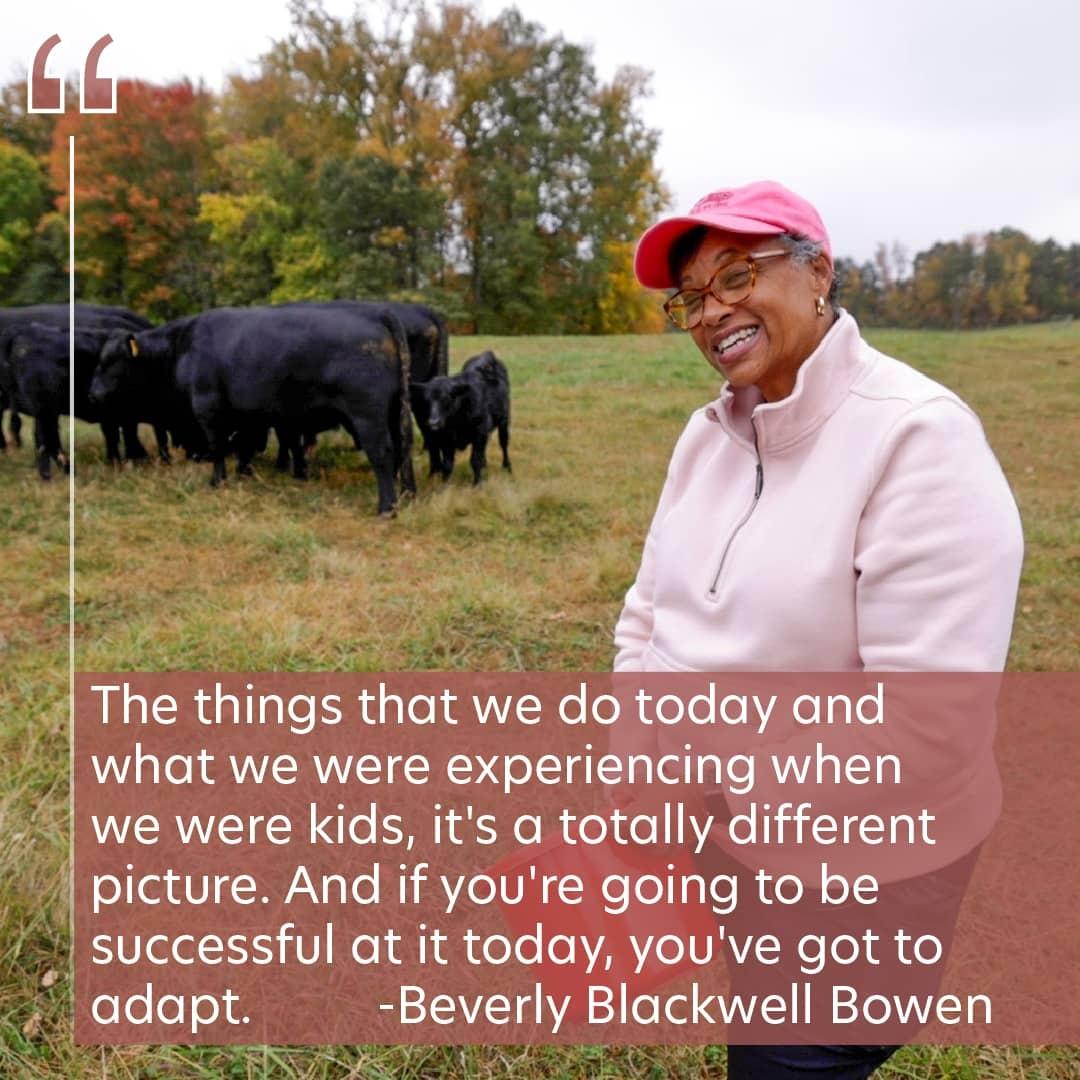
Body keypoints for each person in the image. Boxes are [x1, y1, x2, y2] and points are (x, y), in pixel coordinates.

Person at [612, 181, 1024, 1078]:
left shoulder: (919, 442)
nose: (712, 310)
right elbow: (647, 614)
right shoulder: (707, 435)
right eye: (691, 295)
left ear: (818, 272)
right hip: (739, 840)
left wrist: (704, 783)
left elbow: (928, 728)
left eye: (735, 274)